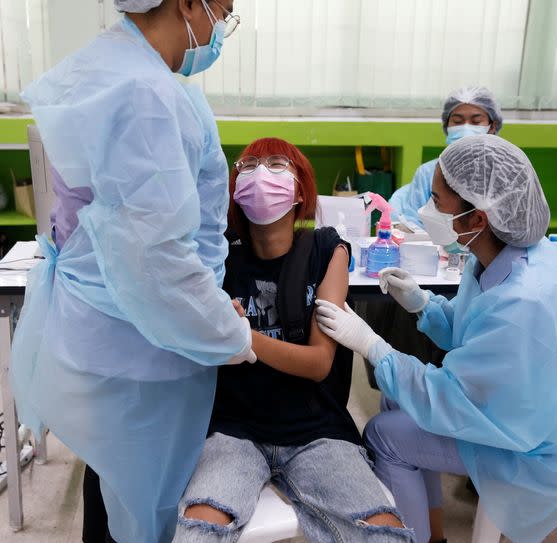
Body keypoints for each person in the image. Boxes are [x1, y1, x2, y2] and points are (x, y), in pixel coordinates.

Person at [10, 1, 255, 542]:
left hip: (110, 327)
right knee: (142, 502)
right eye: (224, 11)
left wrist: (206, 307)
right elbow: (155, 259)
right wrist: (224, 331)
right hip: (141, 339)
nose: (224, 28)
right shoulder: (146, 94)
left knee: (113, 485)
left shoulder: (112, 68)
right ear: (189, 4)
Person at [314, 135, 557, 543]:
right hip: (533, 408)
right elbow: (476, 330)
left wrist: (372, 345)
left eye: (437, 201)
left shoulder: (522, 302)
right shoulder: (504, 257)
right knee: (397, 399)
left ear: (477, 219)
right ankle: (434, 532)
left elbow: (448, 396)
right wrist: (423, 305)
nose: (426, 211)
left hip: (539, 444)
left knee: (383, 435)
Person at [173, 138, 416, 543]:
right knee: (199, 529)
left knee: (382, 532)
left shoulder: (326, 249)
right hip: (235, 430)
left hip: (318, 431)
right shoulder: (219, 258)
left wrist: (241, 337)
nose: (260, 174)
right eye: (247, 166)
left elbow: (318, 362)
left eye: (275, 163)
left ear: (300, 188)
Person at [389, 87, 503, 226]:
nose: (466, 127)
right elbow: (413, 224)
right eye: (458, 121)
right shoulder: (428, 173)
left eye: (476, 121)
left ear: (492, 127)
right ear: (446, 125)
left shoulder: (503, 173)